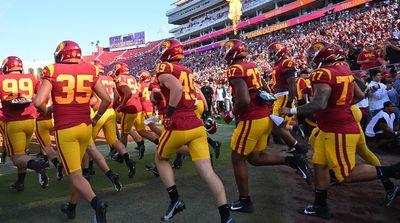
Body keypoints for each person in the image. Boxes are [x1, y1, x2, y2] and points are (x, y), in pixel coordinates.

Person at [280, 42, 400, 220]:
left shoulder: (323, 73)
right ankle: (320, 205)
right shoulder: (344, 68)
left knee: (346, 175)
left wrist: (291, 111)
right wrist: (340, 105)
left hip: (338, 130)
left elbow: (319, 104)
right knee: (320, 166)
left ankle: (393, 171)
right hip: (332, 127)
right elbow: (359, 95)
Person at [221, 39, 312, 213]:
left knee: (237, 158)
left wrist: (230, 113)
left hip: (251, 118)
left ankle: (245, 200)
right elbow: (263, 86)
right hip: (263, 117)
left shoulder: (235, 69)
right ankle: (292, 160)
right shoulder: (251, 65)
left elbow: (244, 100)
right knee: (255, 158)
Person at [154, 39, 235, 223]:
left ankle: (175, 200)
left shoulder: (164, 68)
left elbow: (176, 87)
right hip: (196, 124)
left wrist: (170, 113)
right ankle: (226, 217)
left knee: (160, 159)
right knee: (208, 172)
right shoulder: (187, 70)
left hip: (179, 123)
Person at [34, 41, 109, 222]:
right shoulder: (90, 69)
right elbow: (106, 99)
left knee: (75, 174)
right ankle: (72, 207)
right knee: (77, 173)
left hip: (66, 128)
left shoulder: (52, 70)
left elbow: (38, 102)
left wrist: (47, 110)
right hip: (85, 127)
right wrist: (96, 118)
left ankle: (97, 203)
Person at [0, 56, 49, 192]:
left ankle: (36, 165)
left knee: (17, 157)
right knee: (22, 153)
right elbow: (42, 96)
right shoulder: (32, 77)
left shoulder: (1, 78)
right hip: (30, 120)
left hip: (12, 121)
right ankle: (20, 183)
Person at [266, 42, 308, 156]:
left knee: (276, 126)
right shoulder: (277, 64)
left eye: (273, 53)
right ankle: (295, 143)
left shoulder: (286, 63)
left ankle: (297, 147)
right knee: (280, 126)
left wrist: (289, 104)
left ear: (280, 51)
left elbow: (292, 85)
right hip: (279, 97)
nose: (271, 55)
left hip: (284, 97)